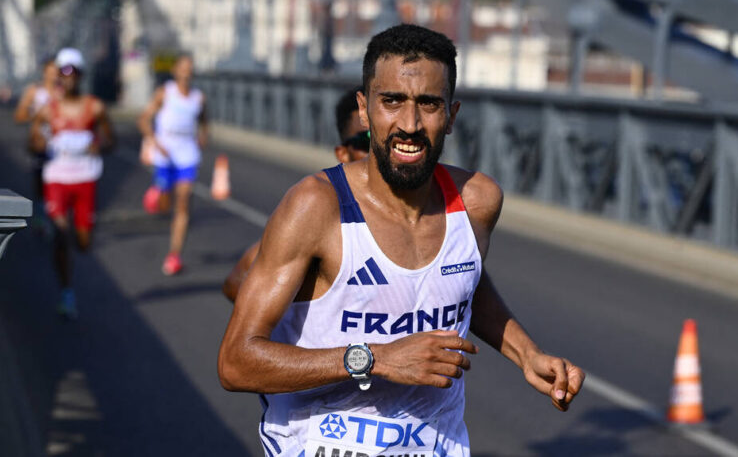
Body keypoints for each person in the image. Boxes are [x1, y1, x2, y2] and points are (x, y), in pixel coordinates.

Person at [218, 24, 584, 457]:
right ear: (365, 108)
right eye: (392, 100)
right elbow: (236, 363)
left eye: (428, 104)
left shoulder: (477, 202)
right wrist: (374, 358)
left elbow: (465, 279)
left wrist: (528, 355)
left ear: (451, 115)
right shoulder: (316, 207)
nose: (409, 124)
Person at [222, 86, 369, 302]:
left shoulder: (432, 210)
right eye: (365, 141)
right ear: (342, 154)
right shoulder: (321, 214)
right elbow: (235, 282)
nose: (377, 150)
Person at [29, 48, 115, 319]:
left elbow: (111, 141)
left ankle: (81, 236)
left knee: (83, 242)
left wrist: (98, 144)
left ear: (80, 76)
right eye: (63, 72)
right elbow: (31, 143)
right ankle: (67, 292)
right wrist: (39, 143)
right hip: (57, 178)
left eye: (72, 72)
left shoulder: (95, 107)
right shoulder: (47, 110)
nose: (67, 77)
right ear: (58, 77)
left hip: (85, 179)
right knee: (60, 235)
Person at [137, 53, 208, 275]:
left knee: (184, 203)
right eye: (183, 67)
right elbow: (143, 120)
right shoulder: (164, 93)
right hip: (165, 154)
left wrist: (203, 137)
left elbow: (204, 121)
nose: (187, 71)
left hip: (187, 154)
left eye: (190, 68)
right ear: (175, 71)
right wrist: (154, 142)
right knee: (165, 204)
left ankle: (174, 255)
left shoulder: (198, 98)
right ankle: (158, 190)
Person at [14, 58, 60, 231]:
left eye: (57, 70)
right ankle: (42, 217)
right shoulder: (35, 92)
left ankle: (57, 216)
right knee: (40, 183)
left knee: (58, 182)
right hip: (40, 145)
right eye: (51, 70)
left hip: (60, 146)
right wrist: (38, 115)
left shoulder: (64, 92)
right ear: (44, 72)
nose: (54, 74)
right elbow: (19, 116)